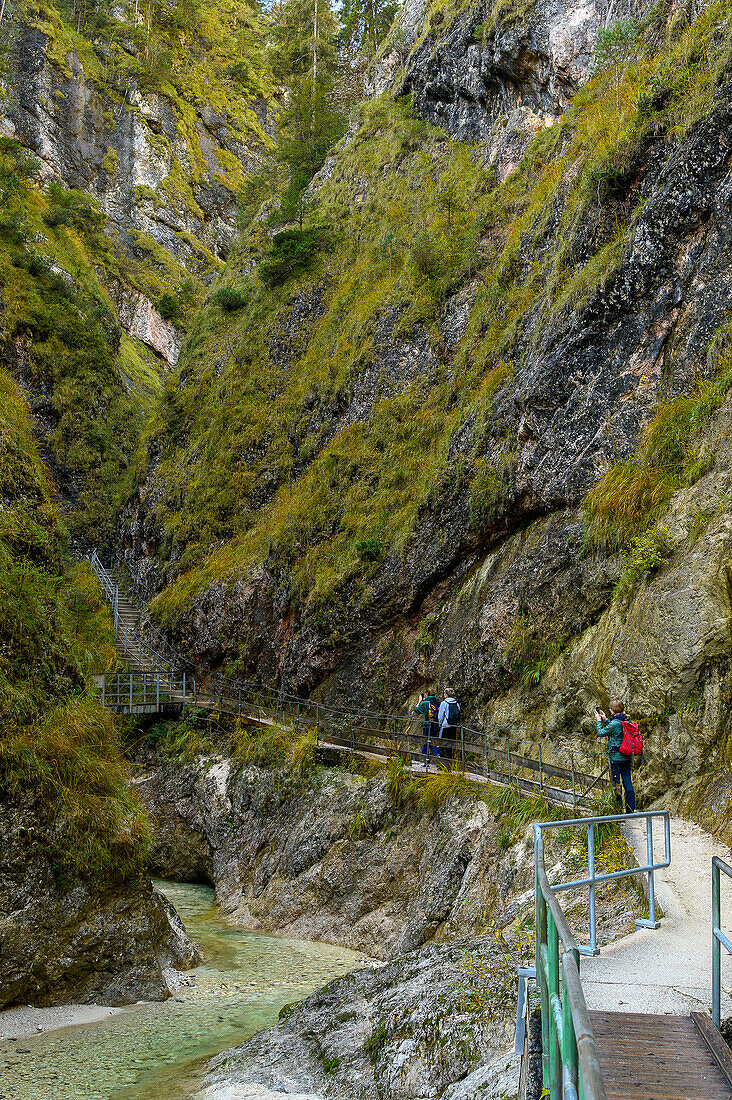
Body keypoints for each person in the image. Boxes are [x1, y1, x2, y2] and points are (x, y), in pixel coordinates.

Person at [595, 699, 636, 813]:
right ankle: (630, 809)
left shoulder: (616, 723)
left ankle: (617, 810)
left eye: (610, 708)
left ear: (613, 710)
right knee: (627, 782)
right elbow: (615, 729)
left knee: (616, 783)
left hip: (616, 758)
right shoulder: (625, 720)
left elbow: (601, 733)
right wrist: (605, 719)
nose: (609, 710)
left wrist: (599, 721)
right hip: (626, 757)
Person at [414, 690, 440, 764]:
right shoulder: (437, 702)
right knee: (433, 741)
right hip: (435, 725)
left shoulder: (425, 703)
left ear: (427, 694)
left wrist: (419, 701)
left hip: (427, 725)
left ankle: (425, 760)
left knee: (426, 742)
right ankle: (437, 755)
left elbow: (416, 710)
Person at [438, 688, 461, 761]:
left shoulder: (444, 703)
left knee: (441, 743)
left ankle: (442, 762)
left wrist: (440, 724)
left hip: (445, 725)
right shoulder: (456, 703)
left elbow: (440, 716)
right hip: (453, 726)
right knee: (451, 744)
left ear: (446, 694)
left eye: (444, 693)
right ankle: (450, 760)